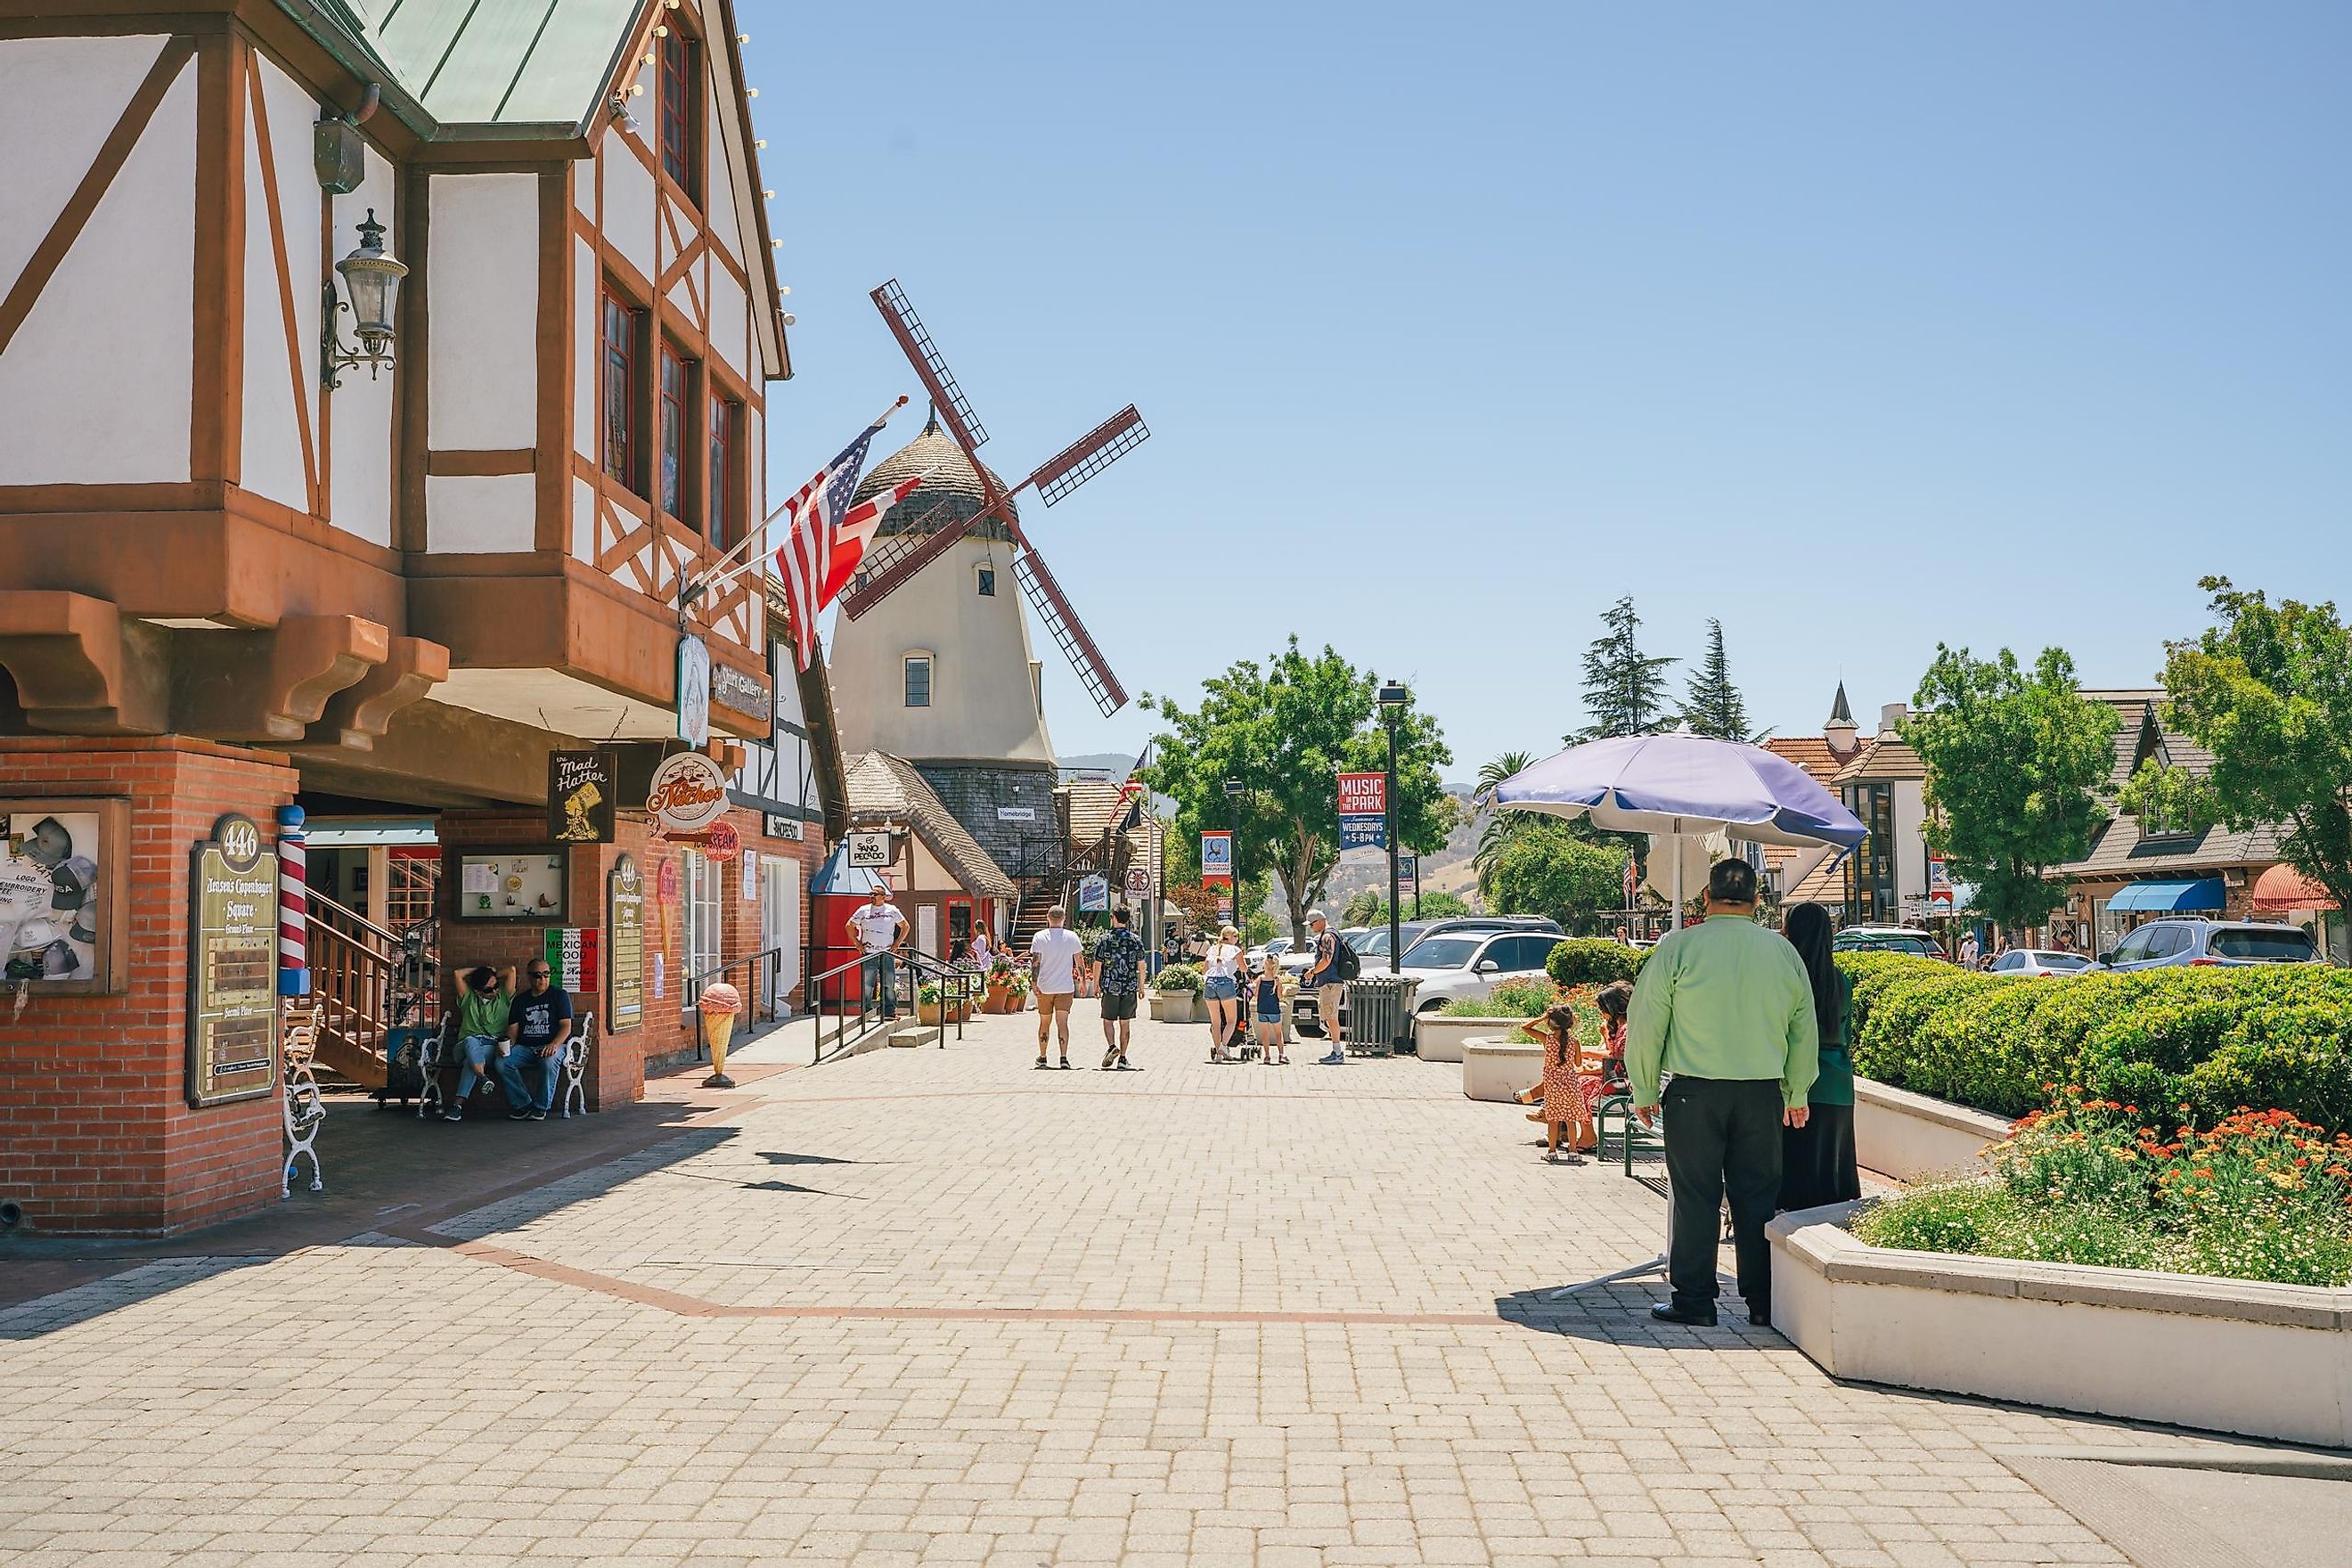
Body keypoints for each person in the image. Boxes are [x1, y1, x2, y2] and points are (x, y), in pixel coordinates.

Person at [1624, 857, 1817, 1328]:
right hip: (1761, 1096)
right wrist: (1797, 1093)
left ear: (1705, 899)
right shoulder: (1783, 953)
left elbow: (1646, 1022)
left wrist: (1645, 1088)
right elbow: (1803, 1029)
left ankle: (1695, 1300)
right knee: (1757, 1198)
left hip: (1695, 1096)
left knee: (1696, 1197)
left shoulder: (1678, 948)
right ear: (1758, 902)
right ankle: (1762, 1303)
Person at [1778, 902, 1860, 1213]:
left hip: (1795, 1083)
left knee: (1797, 1170)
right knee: (1833, 1166)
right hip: (1838, 1084)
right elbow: (1846, 1035)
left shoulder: (1788, 977)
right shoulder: (1839, 980)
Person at [493, 959, 576, 1122]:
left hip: (555, 1045)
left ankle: (540, 1107)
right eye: (538, 975)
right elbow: (513, 1032)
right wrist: (506, 1045)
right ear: (529, 977)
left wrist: (554, 1044)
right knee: (502, 1062)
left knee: (549, 1061)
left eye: (546, 974)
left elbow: (566, 1026)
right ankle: (523, 1104)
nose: (542, 979)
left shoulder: (559, 995)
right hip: (526, 1047)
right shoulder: (520, 1001)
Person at [1521, 1002, 1595, 1164]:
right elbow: (1578, 1063)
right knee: (1571, 1119)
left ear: (1551, 1022)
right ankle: (1573, 1152)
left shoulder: (1547, 1039)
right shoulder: (1574, 1042)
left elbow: (1525, 1028)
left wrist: (1542, 1018)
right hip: (1570, 1084)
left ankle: (1552, 1151)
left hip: (1552, 1085)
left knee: (1553, 1119)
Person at [443, 964, 510, 1122]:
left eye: (496, 986)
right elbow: (457, 973)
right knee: (471, 1042)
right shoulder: (468, 998)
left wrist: (491, 973)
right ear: (477, 990)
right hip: (464, 1047)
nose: (494, 991)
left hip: (489, 1048)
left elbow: (511, 970)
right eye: (488, 989)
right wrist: (478, 972)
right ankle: (481, 1075)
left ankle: (457, 1106)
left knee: (470, 1062)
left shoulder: (503, 998)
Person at [1029, 905, 1085, 1070]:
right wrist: (1082, 981)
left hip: (1045, 986)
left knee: (1044, 1022)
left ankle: (1043, 1056)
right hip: (1065, 987)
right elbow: (1079, 961)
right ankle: (1063, 1057)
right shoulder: (1072, 937)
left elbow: (1036, 962)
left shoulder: (1039, 937)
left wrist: (1034, 982)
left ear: (1048, 918)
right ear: (1064, 919)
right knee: (1063, 1023)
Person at [1091, 904, 1147, 1070]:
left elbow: (1097, 964)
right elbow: (1142, 965)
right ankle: (1123, 1058)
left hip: (1110, 986)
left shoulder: (1104, 939)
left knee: (1108, 1020)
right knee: (1125, 1023)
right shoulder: (1135, 940)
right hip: (1129, 986)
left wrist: (1095, 985)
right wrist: (1141, 986)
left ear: (1113, 918)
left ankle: (1111, 1046)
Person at [846, 885, 908, 1020]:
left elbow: (905, 926)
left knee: (888, 983)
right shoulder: (863, 910)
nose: (872, 896)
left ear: (883, 897)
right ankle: (866, 1012)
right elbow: (849, 926)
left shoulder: (892, 910)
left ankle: (889, 1012)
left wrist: (897, 943)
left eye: (875, 894)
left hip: (887, 952)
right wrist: (857, 943)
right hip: (869, 952)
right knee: (867, 983)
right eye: (871, 894)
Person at [1303, 911, 1347, 1065]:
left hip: (1330, 982)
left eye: (1312, 924)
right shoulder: (1332, 934)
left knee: (1331, 1016)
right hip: (1329, 981)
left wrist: (1312, 972)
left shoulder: (1328, 936)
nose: (1311, 927)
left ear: (1320, 921)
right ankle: (1336, 1051)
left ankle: (1337, 1052)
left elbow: (1326, 960)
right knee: (1329, 1016)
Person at [1202, 924, 1245, 1062]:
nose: (1237, 939)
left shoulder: (1212, 949)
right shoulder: (1235, 950)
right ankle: (1223, 1046)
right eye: (1236, 936)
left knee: (1215, 1022)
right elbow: (1244, 968)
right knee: (1231, 1020)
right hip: (1226, 983)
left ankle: (1218, 1056)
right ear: (1231, 937)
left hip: (1210, 983)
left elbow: (1204, 970)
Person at [1251, 951, 1290, 1066]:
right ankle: (1281, 1054)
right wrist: (1284, 992)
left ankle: (1267, 1056)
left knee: (1265, 1034)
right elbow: (1280, 997)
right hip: (1274, 1009)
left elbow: (1256, 995)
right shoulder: (1277, 980)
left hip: (1262, 1009)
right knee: (1278, 1033)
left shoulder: (1260, 979)